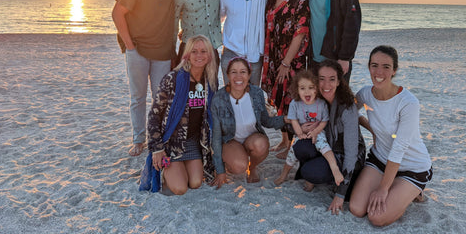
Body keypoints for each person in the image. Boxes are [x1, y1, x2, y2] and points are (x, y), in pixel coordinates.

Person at [112, 0, 183, 156]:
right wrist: (130, 46)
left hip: (162, 51)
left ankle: (159, 137)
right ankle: (138, 140)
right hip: (139, 50)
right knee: (138, 97)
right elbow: (117, 13)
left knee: (160, 98)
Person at [350, 46, 433, 227]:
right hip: (380, 158)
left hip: (412, 165)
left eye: (386, 67)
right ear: (369, 67)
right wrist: (371, 128)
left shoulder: (408, 103)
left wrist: (383, 188)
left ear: (394, 70)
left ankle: (412, 190)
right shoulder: (365, 94)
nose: (379, 72)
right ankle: (397, 186)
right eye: (374, 65)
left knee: (377, 218)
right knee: (357, 209)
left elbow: (399, 148)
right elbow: (348, 114)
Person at [140, 35, 218, 195]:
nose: (199, 55)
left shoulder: (210, 82)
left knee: (196, 183)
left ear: (209, 55)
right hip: (171, 144)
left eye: (203, 51)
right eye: (194, 51)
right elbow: (154, 115)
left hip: (193, 143)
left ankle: (180, 169)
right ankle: (165, 173)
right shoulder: (172, 79)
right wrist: (157, 149)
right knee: (180, 188)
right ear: (187, 55)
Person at [293, 59, 366, 215]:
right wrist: (302, 127)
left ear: (339, 81)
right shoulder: (316, 101)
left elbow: (352, 152)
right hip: (327, 148)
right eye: (322, 79)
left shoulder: (347, 107)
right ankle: (324, 173)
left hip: (348, 156)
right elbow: (294, 118)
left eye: (332, 79)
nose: (326, 85)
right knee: (300, 146)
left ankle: (340, 180)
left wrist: (340, 195)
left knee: (310, 171)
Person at [261, 0, 309, 159]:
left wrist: (286, 62)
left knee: (290, 99)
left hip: (290, 58)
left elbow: (301, 31)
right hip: (272, 56)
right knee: (277, 97)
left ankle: (291, 144)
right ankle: (283, 139)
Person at [210, 57, 286, 187]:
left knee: (261, 145)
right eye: (234, 72)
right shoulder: (219, 98)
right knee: (239, 167)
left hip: (252, 140)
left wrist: (285, 119)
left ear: (249, 75)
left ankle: (253, 167)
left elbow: (265, 121)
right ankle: (231, 159)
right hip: (231, 141)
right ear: (227, 75)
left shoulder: (256, 94)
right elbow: (216, 136)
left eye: (243, 72)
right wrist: (220, 171)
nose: (238, 76)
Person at [274, 70, 343, 188]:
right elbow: (293, 120)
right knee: (292, 152)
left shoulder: (321, 104)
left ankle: (334, 167)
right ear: (297, 90)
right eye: (302, 88)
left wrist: (316, 131)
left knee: (324, 146)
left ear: (317, 88)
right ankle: (283, 175)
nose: (307, 91)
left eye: (311, 87)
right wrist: (299, 132)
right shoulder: (294, 104)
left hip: (318, 132)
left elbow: (324, 121)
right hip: (300, 132)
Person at [220, 0, 268, 86]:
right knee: (230, 97)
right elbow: (218, 18)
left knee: (252, 98)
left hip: (254, 56)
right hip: (231, 53)